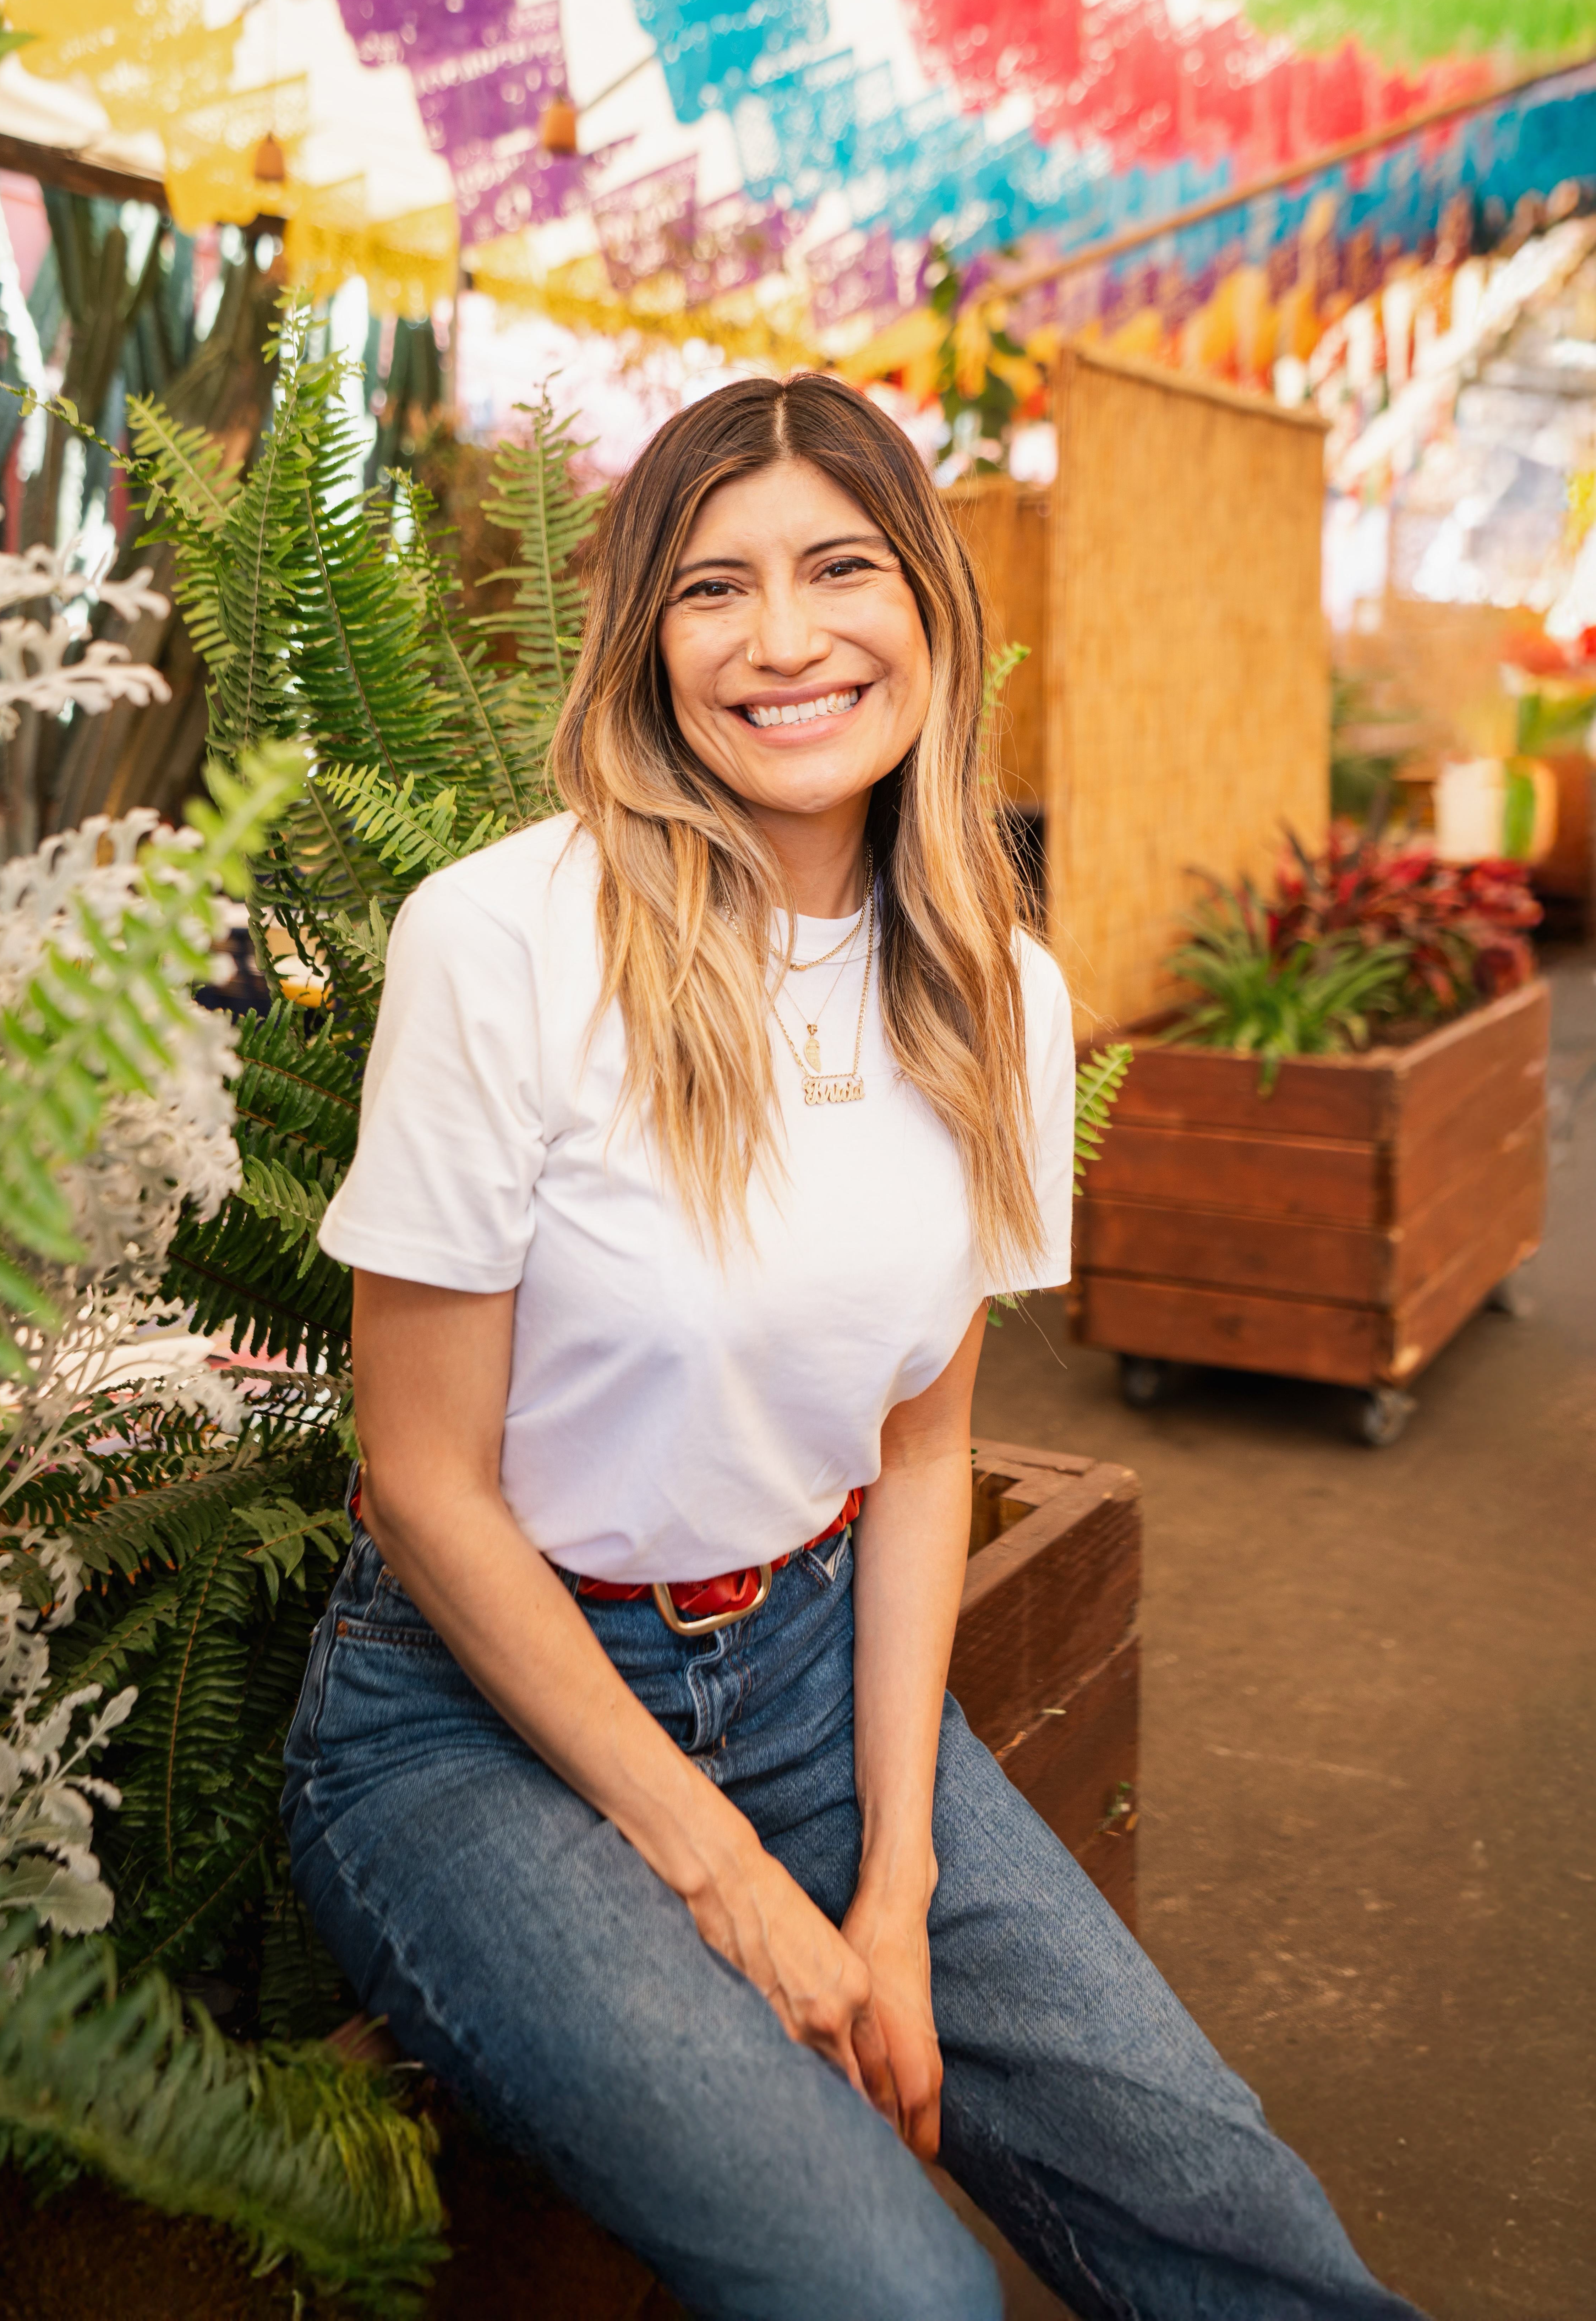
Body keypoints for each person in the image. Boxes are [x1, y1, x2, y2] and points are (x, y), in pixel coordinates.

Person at [283, 374, 1426, 2321]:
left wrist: (895, 1888)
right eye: (713, 587)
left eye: (839, 569)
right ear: (645, 640)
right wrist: (732, 1878)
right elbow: (422, 1484)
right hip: (474, 1722)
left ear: (929, 610)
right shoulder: (506, 942)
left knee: (1229, 2209)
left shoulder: (995, 987)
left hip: (814, 1674)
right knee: (894, 2291)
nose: (784, 639)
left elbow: (915, 1449)